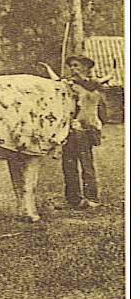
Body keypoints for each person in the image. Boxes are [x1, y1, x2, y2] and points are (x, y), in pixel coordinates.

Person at [61, 55, 106, 210]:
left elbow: (92, 88)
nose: (73, 69)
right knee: (68, 164)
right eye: (71, 66)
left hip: (85, 129)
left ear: (86, 67)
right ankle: (73, 199)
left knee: (86, 164)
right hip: (69, 129)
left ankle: (91, 198)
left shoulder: (93, 84)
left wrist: (78, 80)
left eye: (76, 65)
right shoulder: (69, 84)